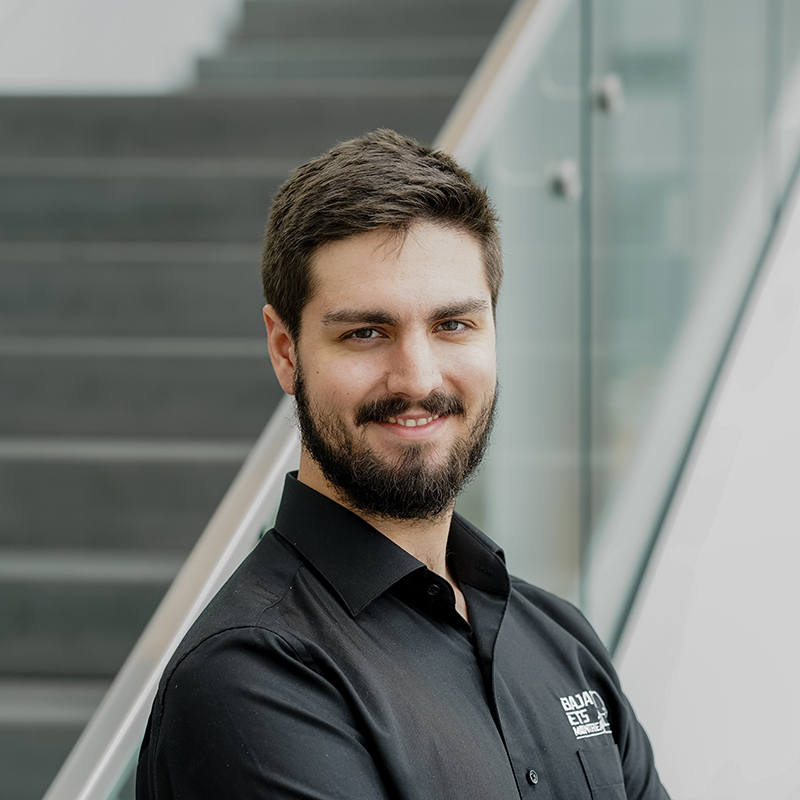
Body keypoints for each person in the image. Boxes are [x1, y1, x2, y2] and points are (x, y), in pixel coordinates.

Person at [136, 129, 670, 799]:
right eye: (366, 332)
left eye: (454, 325)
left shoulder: (560, 636)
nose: (418, 378)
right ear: (285, 349)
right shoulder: (251, 678)